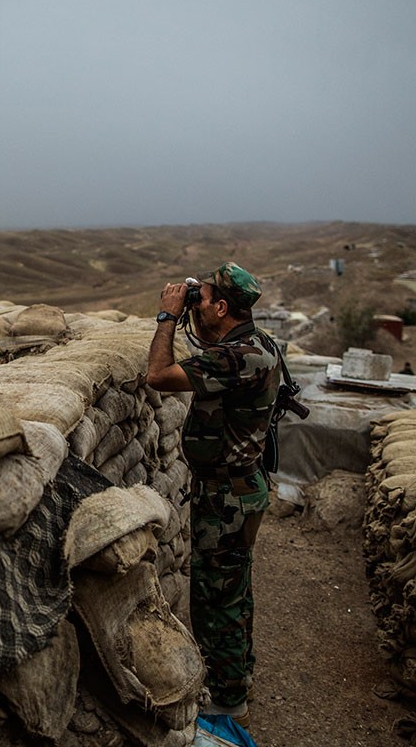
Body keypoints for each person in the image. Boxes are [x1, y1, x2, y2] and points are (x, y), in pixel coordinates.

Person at [146, 262, 280, 728]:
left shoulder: (235, 357)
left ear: (222, 307)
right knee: (234, 589)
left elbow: (158, 375)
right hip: (241, 488)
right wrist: (193, 313)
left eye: (201, 298)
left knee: (213, 595)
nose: (193, 303)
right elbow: (207, 350)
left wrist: (167, 317)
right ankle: (237, 678)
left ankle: (225, 700)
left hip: (227, 496)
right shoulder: (257, 344)